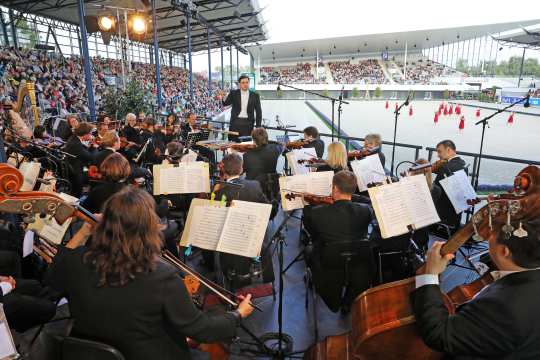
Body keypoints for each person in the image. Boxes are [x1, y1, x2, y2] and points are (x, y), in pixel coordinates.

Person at [46, 187, 254, 360]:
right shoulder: (161, 276)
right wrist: (237, 315)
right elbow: (201, 328)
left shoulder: (77, 261)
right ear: (149, 228)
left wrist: (84, 231)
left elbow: (53, 275)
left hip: (93, 353)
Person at [412, 220, 540, 359]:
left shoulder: (505, 309)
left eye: (491, 234)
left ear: (504, 251)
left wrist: (430, 275)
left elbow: (438, 335)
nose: (487, 235)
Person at [303, 170, 373, 312]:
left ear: (334, 188)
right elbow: (365, 203)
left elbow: (312, 235)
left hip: (328, 264)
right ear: (353, 190)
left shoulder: (317, 213)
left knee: (308, 249)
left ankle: (312, 280)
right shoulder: (366, 211)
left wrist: (308, 206)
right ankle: (348, 303)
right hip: (358, 263)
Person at [432, 139, 467, 229]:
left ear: (448, 150)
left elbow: (435, 192)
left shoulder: (445, 168)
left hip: (443, 217)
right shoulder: (462, 164)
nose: (438, 155)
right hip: (456, 216)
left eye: (439, 152)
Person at [220, 75, 262, 141]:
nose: (245, 84)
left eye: (247, 82)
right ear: (239, 84)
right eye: (243, 82)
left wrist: (258, 127)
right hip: (235, 124)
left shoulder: (255, 95)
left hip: (248, 125)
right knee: (233, 146)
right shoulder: (233, 93)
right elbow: (225, 103)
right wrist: (223, 96)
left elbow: (259, 112)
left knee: (246, 147)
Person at [62, 122, 97, 197]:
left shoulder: (74, 138)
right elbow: (90, 157)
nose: (91, 135)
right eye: (90, 133)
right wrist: (94, 147)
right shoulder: (76, 144)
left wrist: (90, 146)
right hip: (76, 174)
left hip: (75, 168)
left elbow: (84, 153)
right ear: (85, 134)